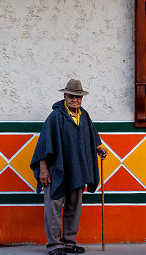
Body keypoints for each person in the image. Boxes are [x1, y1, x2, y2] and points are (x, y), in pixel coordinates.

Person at [30, 79, 107, 255]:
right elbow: (43, 145)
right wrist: (43, 169)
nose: (75, 100)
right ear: (65, 96)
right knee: (53, 207)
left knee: (74, 207)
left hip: (78, 170)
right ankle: (55, 245)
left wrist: (99, 149)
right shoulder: (56, 116)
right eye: (72, 96)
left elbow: (91, 138)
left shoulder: (84, 115)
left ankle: (69, 243)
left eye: (78, 97)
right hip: (56, 171)